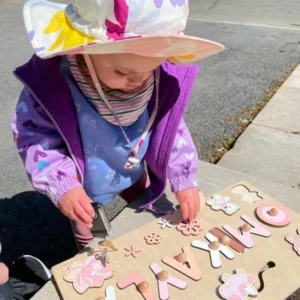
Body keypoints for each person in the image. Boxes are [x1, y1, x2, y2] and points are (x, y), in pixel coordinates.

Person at [12, 0, 224, 249]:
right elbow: (36, 138)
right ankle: (86, 247)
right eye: (123, 73)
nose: (137, 80)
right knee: (86, 221)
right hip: (81, 180)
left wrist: (184, 177)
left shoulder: (152, 78)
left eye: (151, 69)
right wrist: (61, 183)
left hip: (132, 163)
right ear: (85, 51)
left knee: (143, 198)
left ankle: (148, 216)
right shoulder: (53, 88)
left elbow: (172, 128)